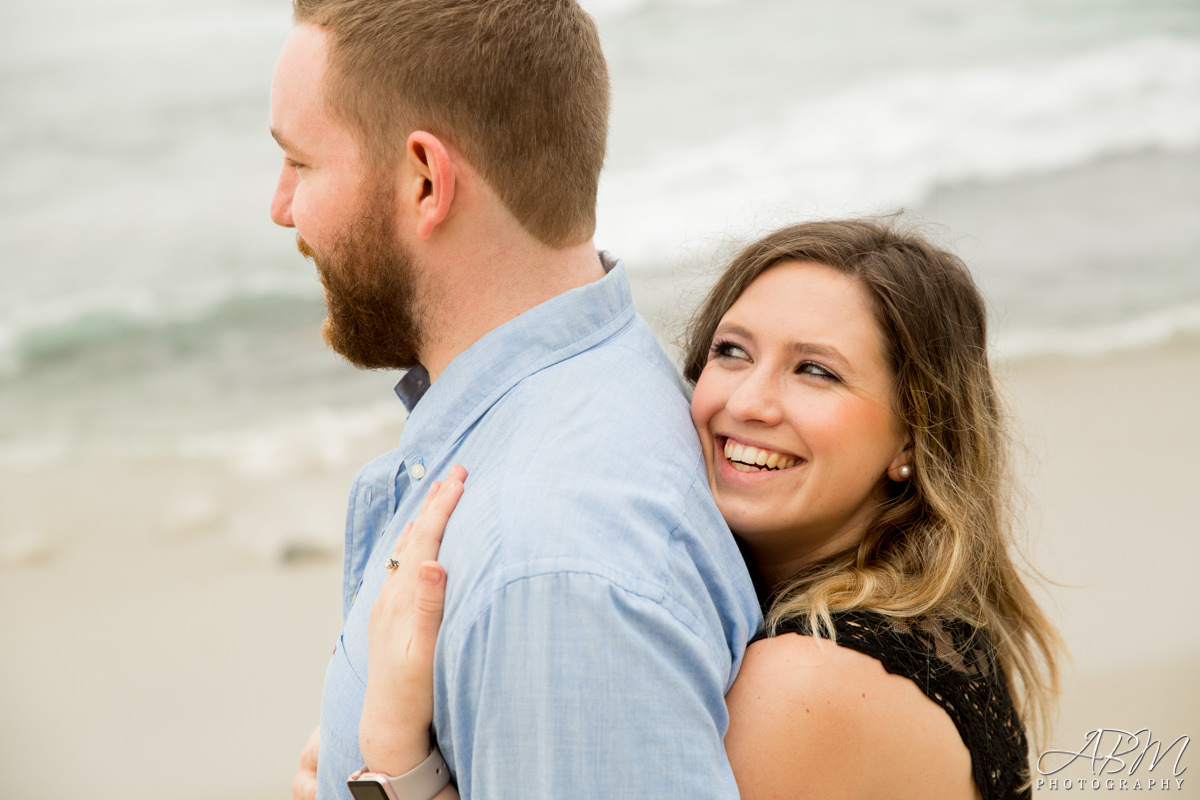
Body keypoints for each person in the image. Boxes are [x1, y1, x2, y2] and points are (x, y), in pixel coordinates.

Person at [367, 218, 1065, 799]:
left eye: (814, 370)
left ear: (913, 436)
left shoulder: (805, 686)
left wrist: (397, 757)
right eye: (731, 353)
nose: (748, 402)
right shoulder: (933, 622)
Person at [268, 2, 762, 799]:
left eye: (301, 163)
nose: (281, 207)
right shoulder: (562, 418)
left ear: (426, 180)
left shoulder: (550, 569)